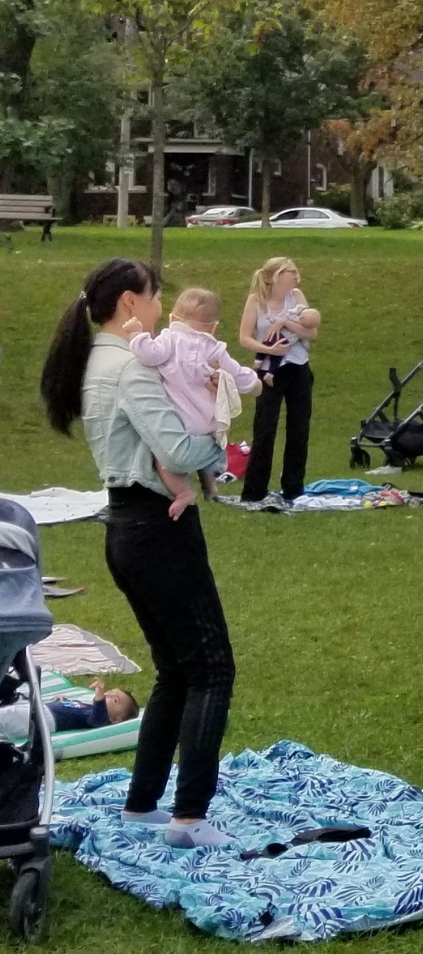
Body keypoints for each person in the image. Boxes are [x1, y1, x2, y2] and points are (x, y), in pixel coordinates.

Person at [39, 257, 236, 848]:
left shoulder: (99, 358)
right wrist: (218, 428)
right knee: (211, 669)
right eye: (156, 299)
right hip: (156, 531)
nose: (160, 311)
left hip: (128, 529)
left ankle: (143, 804)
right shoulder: (127, 364)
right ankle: (190, 818)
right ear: (130, 302)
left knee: (176, 669)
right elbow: (177, 448)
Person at [125, 287, 261, 517]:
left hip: (179, 421)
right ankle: (210, 485)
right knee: (204, 446)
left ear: (171, 319)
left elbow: (149, 354)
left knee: (162, 458)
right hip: (207, 422)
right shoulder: (215, 350)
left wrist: (136, 334)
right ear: (213, 327)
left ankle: (183, 493)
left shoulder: (170, 339)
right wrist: (255, 383)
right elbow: (239, 376)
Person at [238, 258, 318, 507]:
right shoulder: (256, 300)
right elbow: (243, 337)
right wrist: (267, 350)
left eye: (295, 271)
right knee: (264, 429)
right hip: (269, 371)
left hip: (298, 368)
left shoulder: (296, 296)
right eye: (290, 271)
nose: (295, 275)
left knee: (298, 429)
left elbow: (311, 333)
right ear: (275, 276)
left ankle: (293, 488)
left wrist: (285, 322)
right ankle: (254, 491)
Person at [0, 680, 141, 739]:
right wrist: (64, 700)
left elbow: (97, 721)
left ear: (116, 720)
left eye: (114, 699)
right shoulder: (87, 707)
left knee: (10, 716)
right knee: (14, 700)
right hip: (41, 709)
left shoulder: (99, 717)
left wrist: (99, 699)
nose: (107, 695)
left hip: (45, 721)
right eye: (109, 693)